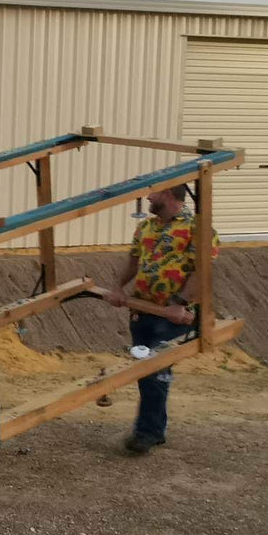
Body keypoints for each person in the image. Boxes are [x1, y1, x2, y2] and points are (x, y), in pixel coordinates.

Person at [102, 182, 221, 454]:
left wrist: (179, 304)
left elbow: (202, 271)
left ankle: (148, 432)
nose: (148, 197)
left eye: (153, 192)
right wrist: (119, 287)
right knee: (146, 371)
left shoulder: (197, 229)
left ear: (168, 194)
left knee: (155, 371)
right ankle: (151, 428)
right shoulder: (146, 227)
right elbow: (133, 261)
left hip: (171, 315)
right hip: (143, 311)